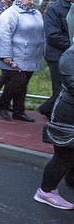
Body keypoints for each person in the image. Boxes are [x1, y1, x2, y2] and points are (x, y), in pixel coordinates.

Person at [0, 0, 44, 122]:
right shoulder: (10, 14)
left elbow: (41, 33)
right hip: (16, 56)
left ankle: (19, 111)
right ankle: (3, 105)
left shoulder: (36, 13)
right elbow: (4, 36)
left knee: (23, 84)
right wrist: (6, 56)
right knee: (17, 82)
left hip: (31, 56)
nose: (32, 2)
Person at [36, 39, 74, 210]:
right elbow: (72, 84)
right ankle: (45, 191)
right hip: (68, 113)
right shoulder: (70, 55)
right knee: (64, 156)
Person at [39, 0, 74, 118]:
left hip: (70, 55)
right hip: (57, 56)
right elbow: (53, 35)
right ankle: (53, 117)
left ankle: (47, 109)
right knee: (60, 89)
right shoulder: (54, 9)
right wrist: (72, 46)